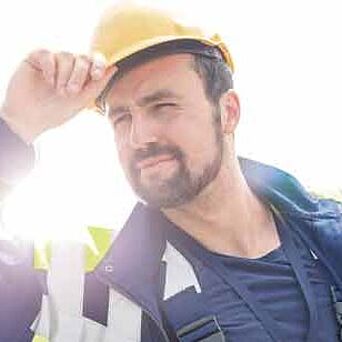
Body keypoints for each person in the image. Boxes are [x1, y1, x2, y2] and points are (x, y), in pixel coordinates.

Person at [0, 4, 342, 342]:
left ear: (228, 112)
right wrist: (14, 129)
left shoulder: (330, 237)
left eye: (162, 106)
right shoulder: (101, 293)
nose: (139, 137)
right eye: (121, 118)